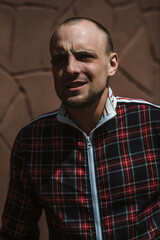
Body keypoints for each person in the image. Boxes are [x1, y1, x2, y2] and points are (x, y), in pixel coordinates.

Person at [0, 17, 160, 240]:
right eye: (59, 59)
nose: (71, 68)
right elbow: (16, 232)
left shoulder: (151, 123)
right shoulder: (32, 141)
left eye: (84, 56)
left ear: (112, 64)